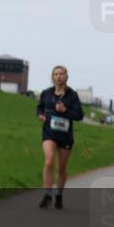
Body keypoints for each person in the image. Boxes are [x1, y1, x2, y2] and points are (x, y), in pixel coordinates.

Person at [35, 65, 84, 209]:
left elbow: (79, 115)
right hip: (49, 132)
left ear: (66, 76)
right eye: (56, 74)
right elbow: (39, 107)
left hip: (65, 135)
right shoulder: (46, 93)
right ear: (52, 77)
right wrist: (40, 115)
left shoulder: (72, 95)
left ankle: (59, 195)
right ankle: (47, 195)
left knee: (61, 168)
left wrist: (65, 110)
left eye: (61, 74)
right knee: (49, 161)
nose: (58, 76)